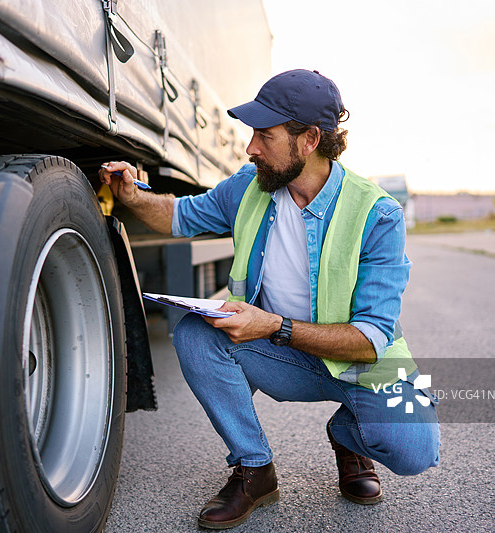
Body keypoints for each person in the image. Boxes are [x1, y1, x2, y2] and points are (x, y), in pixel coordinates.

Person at [100, 69, 440, 530]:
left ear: (310, 139)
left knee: (417, 450)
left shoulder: (377, 214)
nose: (250, 147)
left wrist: (274, 326)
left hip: (363, 363)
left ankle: (350, 441)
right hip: (284, 355)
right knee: (197, 335)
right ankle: (254, 470)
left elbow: (371, 340)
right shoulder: (249, 186)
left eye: (264, 134)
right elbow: (179, 215)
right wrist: (132, 197)